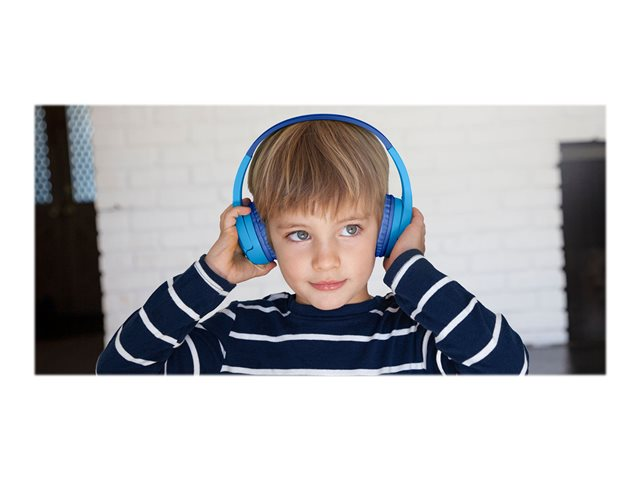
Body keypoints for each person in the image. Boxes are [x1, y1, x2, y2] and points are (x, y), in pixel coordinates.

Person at [96, 118, 529, 375]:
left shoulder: (418, 335)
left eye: (351, 229)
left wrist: (410, 268)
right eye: (299, 234)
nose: (326, 260)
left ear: (387, 229)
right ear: (261, 238)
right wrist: (211, 277)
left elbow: (508, 367)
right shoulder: (236, 332)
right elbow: (120, 372)